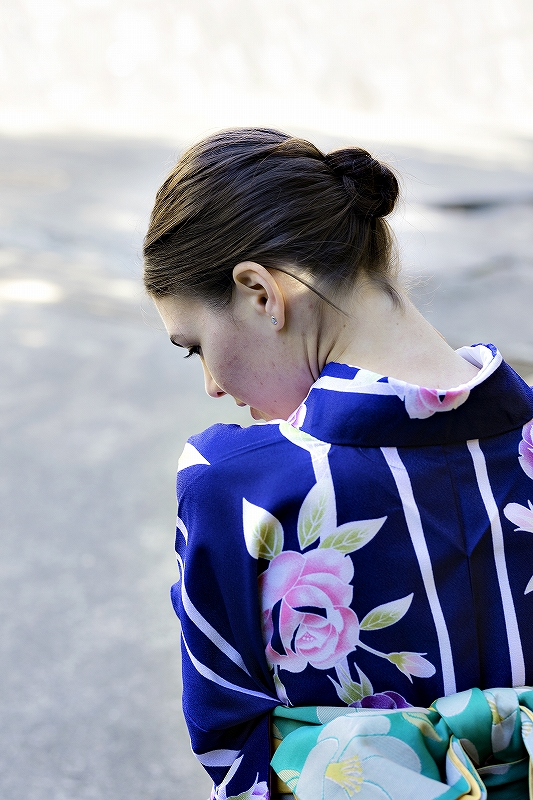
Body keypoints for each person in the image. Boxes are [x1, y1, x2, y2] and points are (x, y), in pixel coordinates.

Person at [143, 128, 533, 800]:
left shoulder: (240, 487)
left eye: (196, 345)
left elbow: (232, 747)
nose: (211, 385)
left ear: (260, 293)